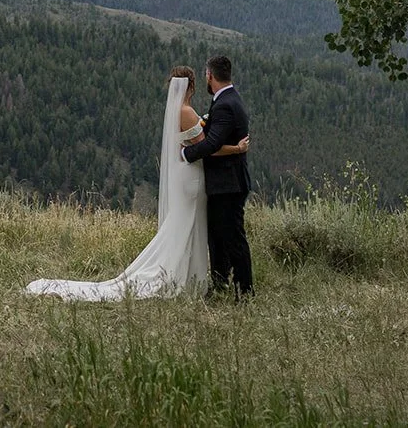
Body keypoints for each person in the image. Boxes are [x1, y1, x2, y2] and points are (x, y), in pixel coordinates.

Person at [24, 66, 248, 301]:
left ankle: (188, 275)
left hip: (185, 176)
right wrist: (237, 148)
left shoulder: (177, 110)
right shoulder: (187, 112)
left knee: (185, 224)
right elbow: (208, 148)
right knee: (188, 224)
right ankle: (183, 277)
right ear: (191, 86)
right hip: (192, 176)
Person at [182, 54, 253, 297]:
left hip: (228, 184)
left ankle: (245, 291)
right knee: (218, 237)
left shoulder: (224, 104)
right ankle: (221, 283)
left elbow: (211, 144)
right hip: (227, 183)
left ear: (210, 75)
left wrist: (184, 154)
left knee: (233, 238)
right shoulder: (230, 99)